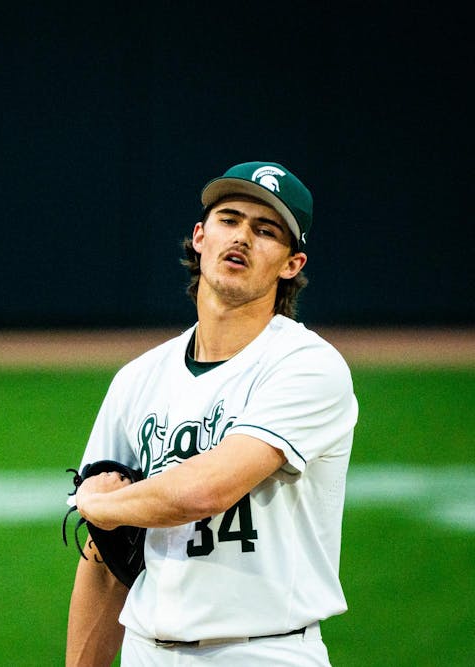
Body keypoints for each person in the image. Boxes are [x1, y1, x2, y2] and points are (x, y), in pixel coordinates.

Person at [66, 161, 358, 666]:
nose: (243, 237)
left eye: (266, 231)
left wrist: (100, 506)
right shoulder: (137, 379)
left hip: (263, 652)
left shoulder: (308, 367)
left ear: (292, 263)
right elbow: (104, 559)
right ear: (200, 237)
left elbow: (206, 490)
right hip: (145, 651)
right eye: (230, 219)